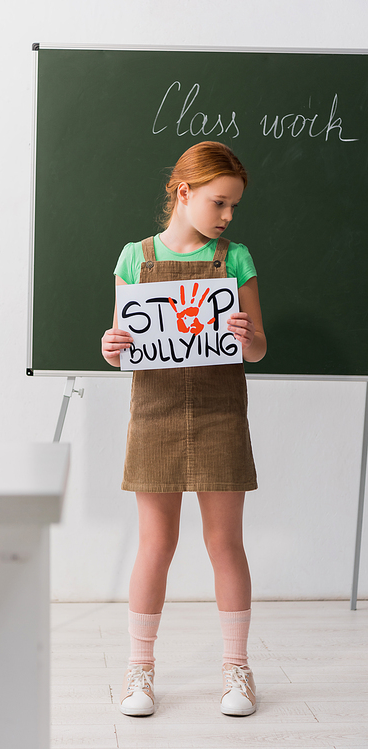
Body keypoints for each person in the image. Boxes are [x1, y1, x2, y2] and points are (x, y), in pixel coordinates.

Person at [101, 141, 266, 718]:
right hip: (155, 414)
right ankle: (139, 669)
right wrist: (110, 346)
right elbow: (124, 348)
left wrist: (247, 337)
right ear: (184, 192)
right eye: (219, 203)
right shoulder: (133, 258)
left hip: (221, 412)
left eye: (233, 207)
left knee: (225, 543)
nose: (226, 216)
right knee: (156, 544)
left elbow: (260, 347)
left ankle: (237, 669)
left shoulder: (235, 257)